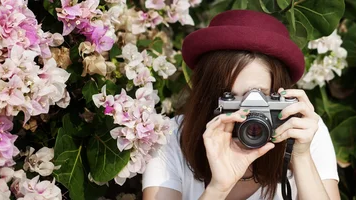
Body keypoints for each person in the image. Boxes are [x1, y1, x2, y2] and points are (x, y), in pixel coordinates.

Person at [141, 9, 340, 200]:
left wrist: (301, 157)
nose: (244, 115)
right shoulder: (170, 138)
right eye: (230, 98)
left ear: (280, 96)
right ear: (208, 95)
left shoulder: (302, 131)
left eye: (260, 96)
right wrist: (219, 188)